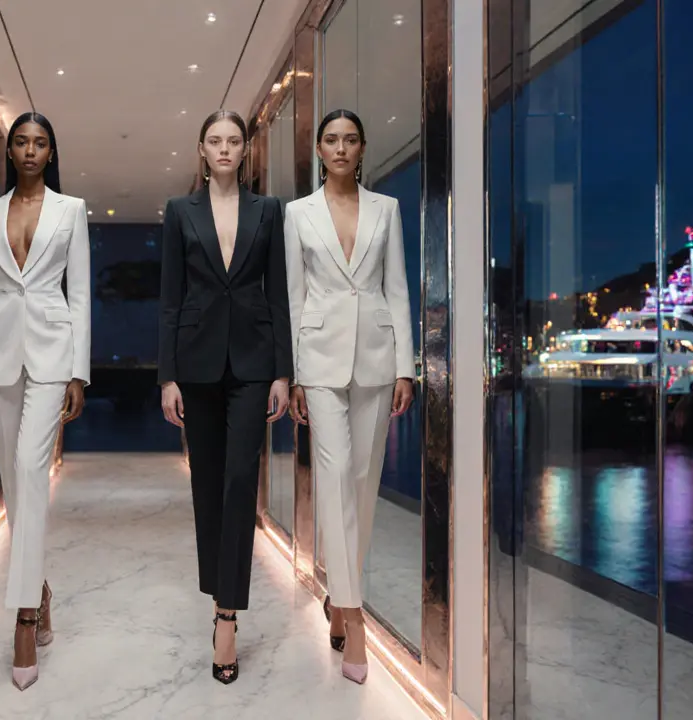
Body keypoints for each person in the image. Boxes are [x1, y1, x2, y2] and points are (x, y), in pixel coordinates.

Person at [157, 109, 291, 685]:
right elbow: (170, 297)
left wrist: (284, 372)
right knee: (205, 483)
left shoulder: (269, 210)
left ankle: (226, 614)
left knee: (241, 482)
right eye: (215, 140)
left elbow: (280, 293)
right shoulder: (179, 211)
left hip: (254, 362)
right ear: (201, 150)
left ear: (246, 149)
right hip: (196, 362)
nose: (225, 148)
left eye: (234, 140)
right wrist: (167, 376)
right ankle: (217, 590)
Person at [285, 109, 415, 685]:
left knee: (364, 480)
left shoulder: (387, 209)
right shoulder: (297, 214)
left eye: (350, 139)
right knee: (335, 475)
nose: (340, 148)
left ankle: (341, 588)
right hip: (318, 357)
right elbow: (293, 296)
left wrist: (406, 368)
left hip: (378, 357)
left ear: (363, 149)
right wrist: (293, 374)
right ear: (319, 149)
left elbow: (398, 289)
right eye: (331, 139)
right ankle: (354, 617)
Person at [0, 111, 90, 691]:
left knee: (33, 472)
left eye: (40, 142)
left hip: (51, 355)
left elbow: (80, 294)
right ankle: (36, 584)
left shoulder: (72, 210)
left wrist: (79, 372)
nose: (31, 150)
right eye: (21, 142)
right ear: (9, 151)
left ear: (51, 151)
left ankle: (21, 618)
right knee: (13, 482)